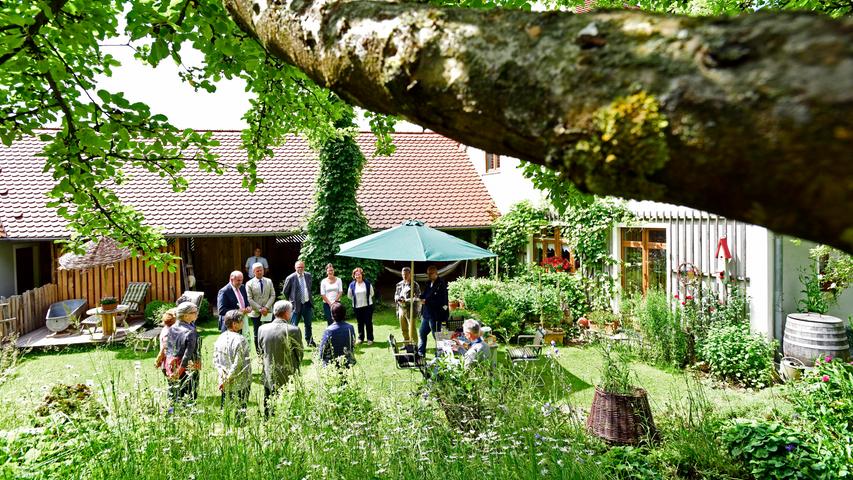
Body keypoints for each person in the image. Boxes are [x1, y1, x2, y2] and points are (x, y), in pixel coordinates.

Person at [257, 300, 304, 417]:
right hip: (288, 373)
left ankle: (267, 420)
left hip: (269, 371)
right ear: (287, 313)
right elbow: (299, 353)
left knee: (269, 400)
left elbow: (261, 350)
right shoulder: (294, 330)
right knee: (288, 405)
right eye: (291, 311)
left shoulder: (262, 329)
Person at [212, 309, 252, 414]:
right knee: (240, 409)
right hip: (240, 380)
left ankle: (226, 425)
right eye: (241, 321)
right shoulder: (240, 339)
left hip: (224, 379)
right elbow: (238, 363)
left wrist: (222, 376)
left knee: (226, 407)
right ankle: (240, 426)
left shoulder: (220, 337)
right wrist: (229, 378)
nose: (243, 323)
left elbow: (215, 359)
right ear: (234, 324)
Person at [167, 302, 202, 406]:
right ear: (185, 315)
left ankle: (173, 412)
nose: (197, 314)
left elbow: (169, 348)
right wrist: (180, 370)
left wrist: (171, 369)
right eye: (194, 312)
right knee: (189, 394)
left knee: (174, 393)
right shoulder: (190, 331)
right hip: (188, 366)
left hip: (173, 365)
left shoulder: (172, 327)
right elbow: (188, 354)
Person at [281, 260, 315, 347]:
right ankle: (293, 343)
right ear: (295, 268)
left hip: (307, 304)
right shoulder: (290, 278)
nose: (300, 269)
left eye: (302, 267)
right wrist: (291, 300)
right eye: (298, 267)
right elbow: (285, 292)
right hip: (296, 305)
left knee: (308, 324)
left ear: (304, 267)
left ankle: (310, 341)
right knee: (293, 325)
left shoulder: (308, 275)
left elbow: (309, 287)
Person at [418, 265, 449, 357]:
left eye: (431, 274)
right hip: (426, 314)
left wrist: (427, 301)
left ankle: (440, 354)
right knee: (422, 332)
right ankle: (420, 352)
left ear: (436, 273)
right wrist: (419, 297)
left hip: (436, 315)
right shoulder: (428, 283)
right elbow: (425, 294)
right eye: (427, 273)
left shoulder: (441, 284)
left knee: (437, 336)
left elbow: (442, 301)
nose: (429, 275)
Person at [246, 262, 276, 355]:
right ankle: (260, 353)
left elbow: (273, 295)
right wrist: (260, 309)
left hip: (268, 311)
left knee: (269, 331)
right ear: (253, 272)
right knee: (257, 333)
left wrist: (266, 307)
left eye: (261, 270)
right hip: (256, 312)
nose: (260, 272)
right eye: (257, 270)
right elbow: (249, 298)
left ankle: (270, 351)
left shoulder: (269, 281)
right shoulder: (249, 283)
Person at [318, 302, 356, 368]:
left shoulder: (328, 330)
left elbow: (322, 351)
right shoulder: (350, 327)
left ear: (332, 315)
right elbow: (352, 344)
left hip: (332, 364)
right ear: (345, 314)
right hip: (348, 362)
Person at [347, 267, 375, 345]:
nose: (358, 276)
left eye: (359, 274)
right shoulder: (352, 285)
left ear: (362, 275)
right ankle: (360, 338)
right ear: (354, 276)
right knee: (360, 323)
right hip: (357, 307)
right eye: (356, 275)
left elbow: (372, 293)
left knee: (368, 322)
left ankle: (370, 339)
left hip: (367, 306)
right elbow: (349, 296)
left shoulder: (367, 283)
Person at [394, 267, 421, 344]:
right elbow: (396, 295)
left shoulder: (415, 285)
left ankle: (415, 345)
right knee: (403, 328)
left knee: (412, 329)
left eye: (406, 274)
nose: (404, 276)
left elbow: (417, 298)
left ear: (410, 274)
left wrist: (406, 300)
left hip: (411, 309)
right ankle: (406, 344)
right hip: (401, 309)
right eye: (403, 274)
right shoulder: (399, 284)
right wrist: (397, 298)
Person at [154, 308, 177, 377]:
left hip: (169, 363)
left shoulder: (165, 329)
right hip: (171, 365)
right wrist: (158, 360)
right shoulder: (170, 331)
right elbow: (164, 349)